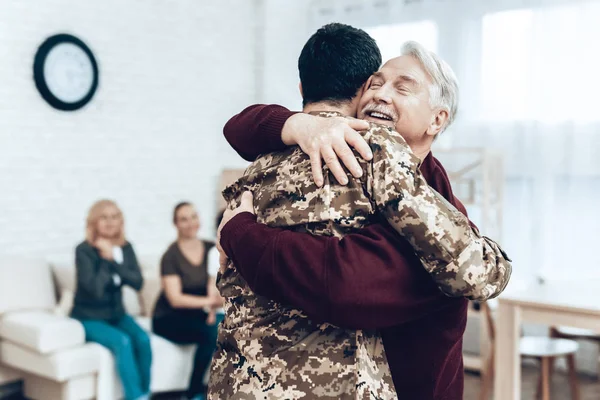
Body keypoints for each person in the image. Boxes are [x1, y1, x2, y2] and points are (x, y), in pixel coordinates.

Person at [209, 24, 511, 399]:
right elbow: (241, 125)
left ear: (437, 120)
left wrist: (239, 230)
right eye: (375, 83)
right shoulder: (347, 156)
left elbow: (342, 283)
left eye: (402, 88)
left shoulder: (426, 199)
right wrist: (295, 123)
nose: (381, 95)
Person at [71, 200, 151, 400]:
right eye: (104, 217)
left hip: (117, 315)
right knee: (123, 342)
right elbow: (95, 291)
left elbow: (137, 283)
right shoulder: (84, 251)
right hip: (89, 317)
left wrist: (113, 259)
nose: (110, 221)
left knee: (143, 339)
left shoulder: (126, 248)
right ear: (94, 222)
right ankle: (135, 397)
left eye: (115, 216)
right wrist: (106, 259)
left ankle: (144, 394)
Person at [152, 202, 222, 400]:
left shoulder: (211, 248)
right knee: (211, 332)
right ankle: (194, 393)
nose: (190, 223)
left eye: (193, 217)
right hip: (169, 318)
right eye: (184, 219)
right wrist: (210, 301)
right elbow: (175, 299)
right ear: (176, 224)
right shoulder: (170, 256)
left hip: (197, 314)